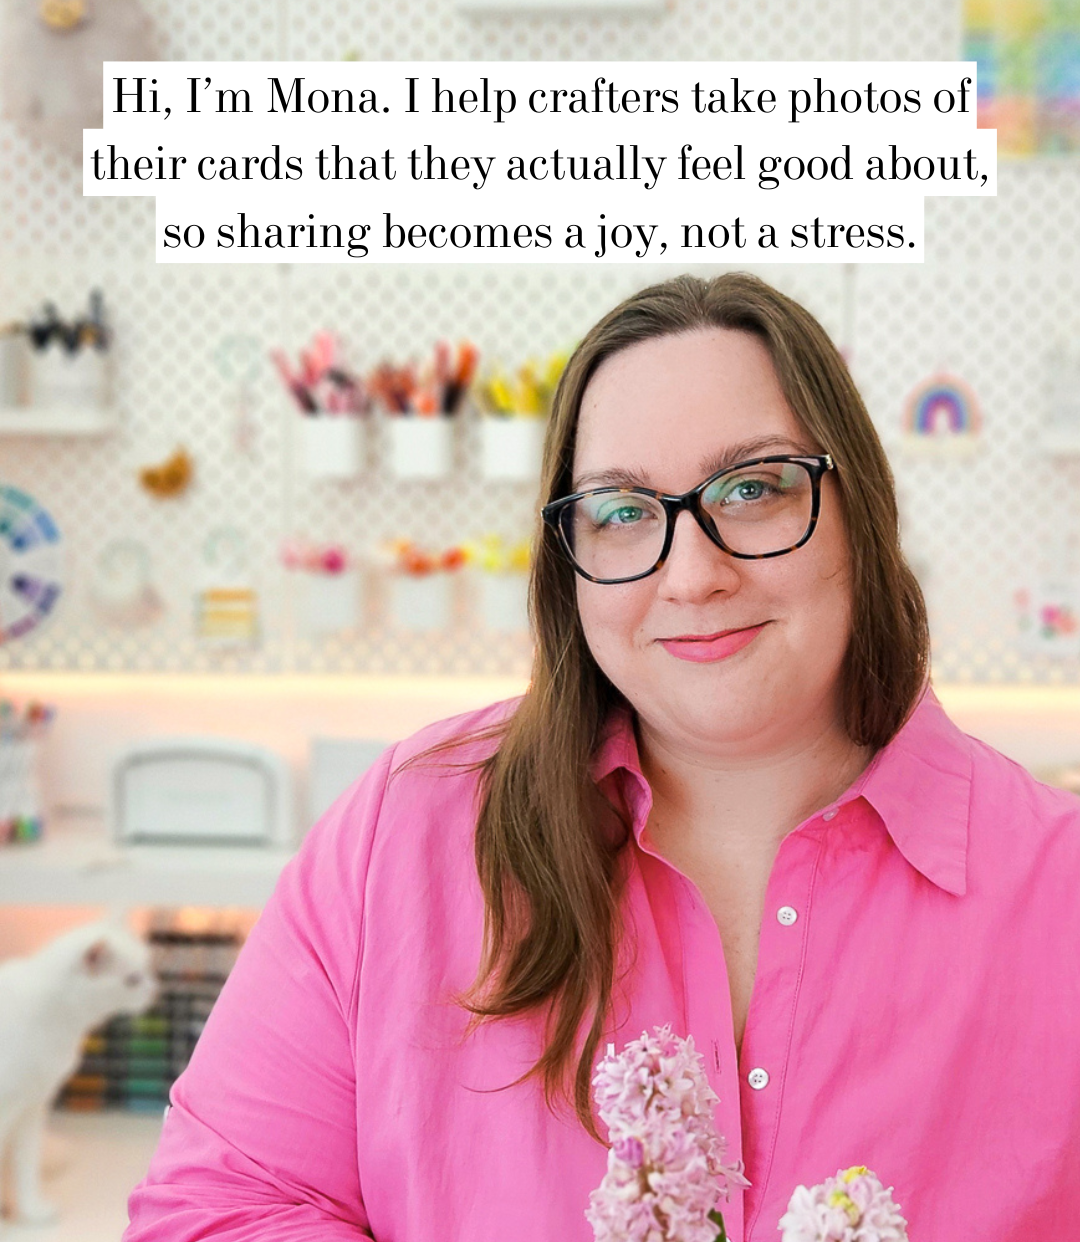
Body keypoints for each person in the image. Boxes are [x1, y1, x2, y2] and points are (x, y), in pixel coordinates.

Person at [123, 274, 1080, 1242]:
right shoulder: (403, 834)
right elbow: (218, 1210)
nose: (694, 574)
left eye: (753, 489)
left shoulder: (1058, 891)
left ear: (857, 509)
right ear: (566, 559)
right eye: (621, 511)